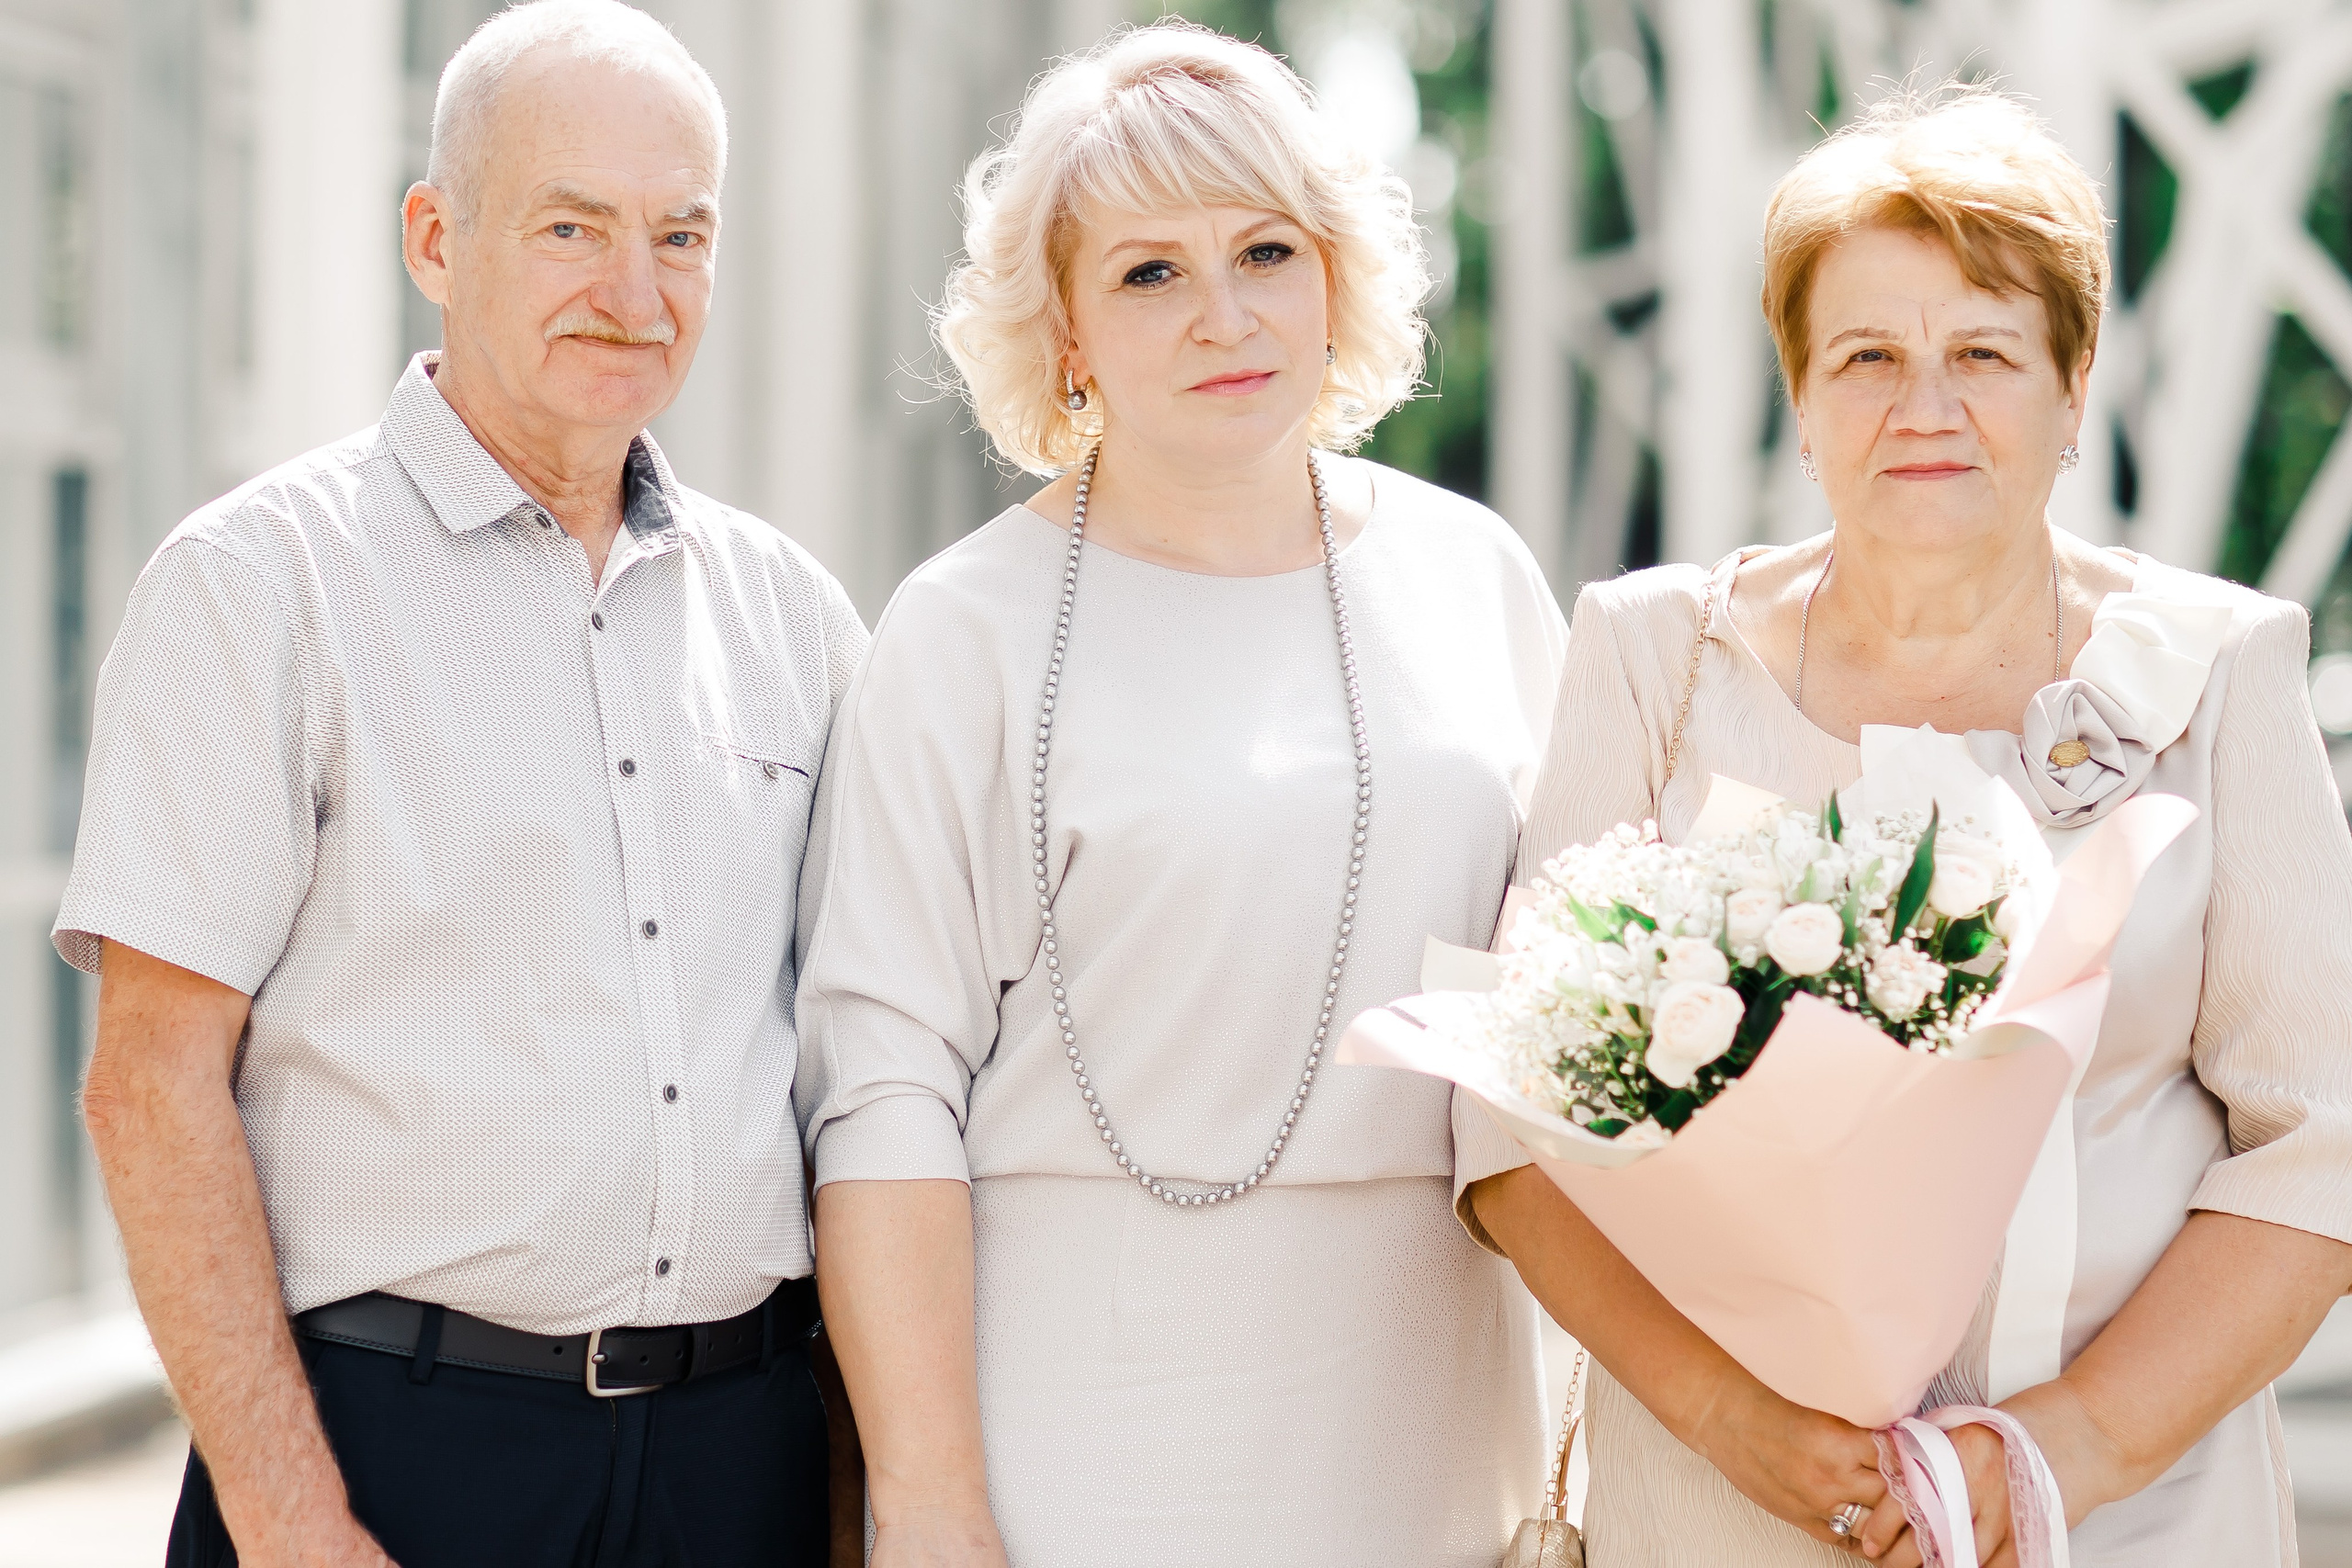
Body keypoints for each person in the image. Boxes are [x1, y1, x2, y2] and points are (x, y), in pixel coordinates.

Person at [1469, 86, 2352, 1567]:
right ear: (1801, 398)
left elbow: (2321, 1144)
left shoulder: (2220, 672)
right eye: (1867, 356)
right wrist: (1728, 1422)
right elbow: (1505, 1127)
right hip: (1722, 1510)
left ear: (2074, 393)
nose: (1923, 406)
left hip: (2125, 1517)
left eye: (1985, 355)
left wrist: (2059, 1455)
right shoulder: (1650, 659)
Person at [61, 4, 865, 1564]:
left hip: (738, 1459)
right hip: (394, 1458)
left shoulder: (797, 619)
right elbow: (150, 1088)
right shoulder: (260, 584)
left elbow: (851, 1086)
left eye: (680, 235)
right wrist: (292, 1521)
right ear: (436, 234)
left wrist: (848, 1485)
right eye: (572, 227)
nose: (633, 293)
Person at [793, 22, 1567, 1568]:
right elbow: (882, 1098)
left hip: (1443, 1424)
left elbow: (1584, 1011)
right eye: (1149, 271)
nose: (1225, 314)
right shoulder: (963, 631)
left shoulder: (1472, 574)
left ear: (1336, 275)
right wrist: (930, 1506)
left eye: (1267, 251)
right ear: (1064, 329)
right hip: (1084, 1445)